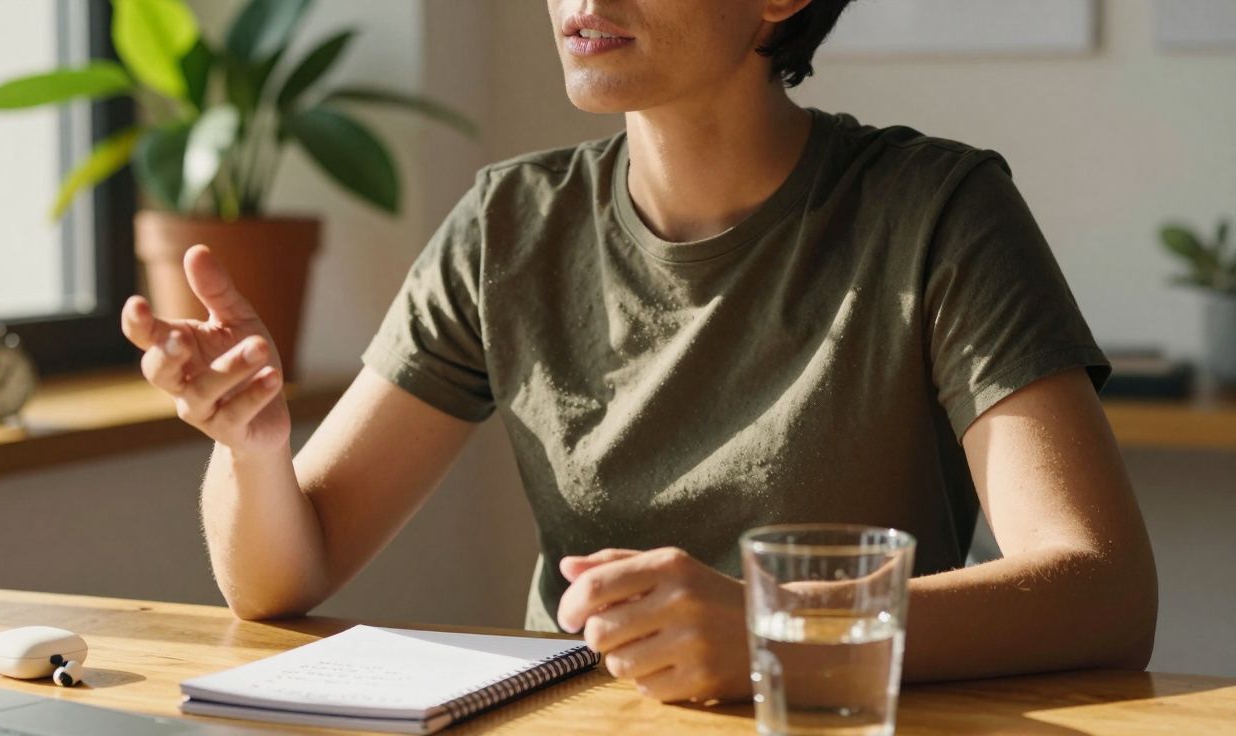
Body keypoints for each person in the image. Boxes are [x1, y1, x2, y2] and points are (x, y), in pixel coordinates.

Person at [120, 0, 1157, 704]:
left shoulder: (937, 211)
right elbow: (277, 578)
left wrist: (773, 630)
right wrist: (251, 449)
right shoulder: (506, 225)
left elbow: (1100, 588)